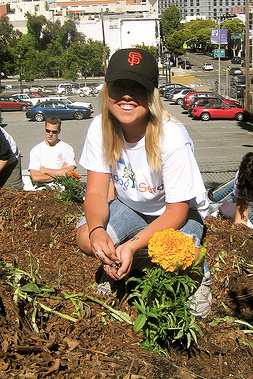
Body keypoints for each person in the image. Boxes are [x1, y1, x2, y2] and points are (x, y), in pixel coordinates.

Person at [76, 48, 211, 315]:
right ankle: (121, 262)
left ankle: (198, 277)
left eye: (137, 87)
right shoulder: (100, 127)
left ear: (152, 95)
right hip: (130, 207)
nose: (126, 95)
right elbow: (95, 193)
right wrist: (97, 232)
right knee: (84, 238)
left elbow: (177, 210)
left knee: (185, 254)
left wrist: (132, 243)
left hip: (175, 213)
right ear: (107, 90)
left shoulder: (171, 136)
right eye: (119, 86)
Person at [28, 116, 76, 188]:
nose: (50, 134)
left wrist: (45, 170)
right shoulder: (36, 150)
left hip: (62, 190)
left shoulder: (67, 149)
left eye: (54, 132)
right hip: (42, 189)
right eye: (48, 131)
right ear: (44, 129)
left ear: (59, 131)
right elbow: (35, 177)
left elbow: (70, 171)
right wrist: (61, 173)